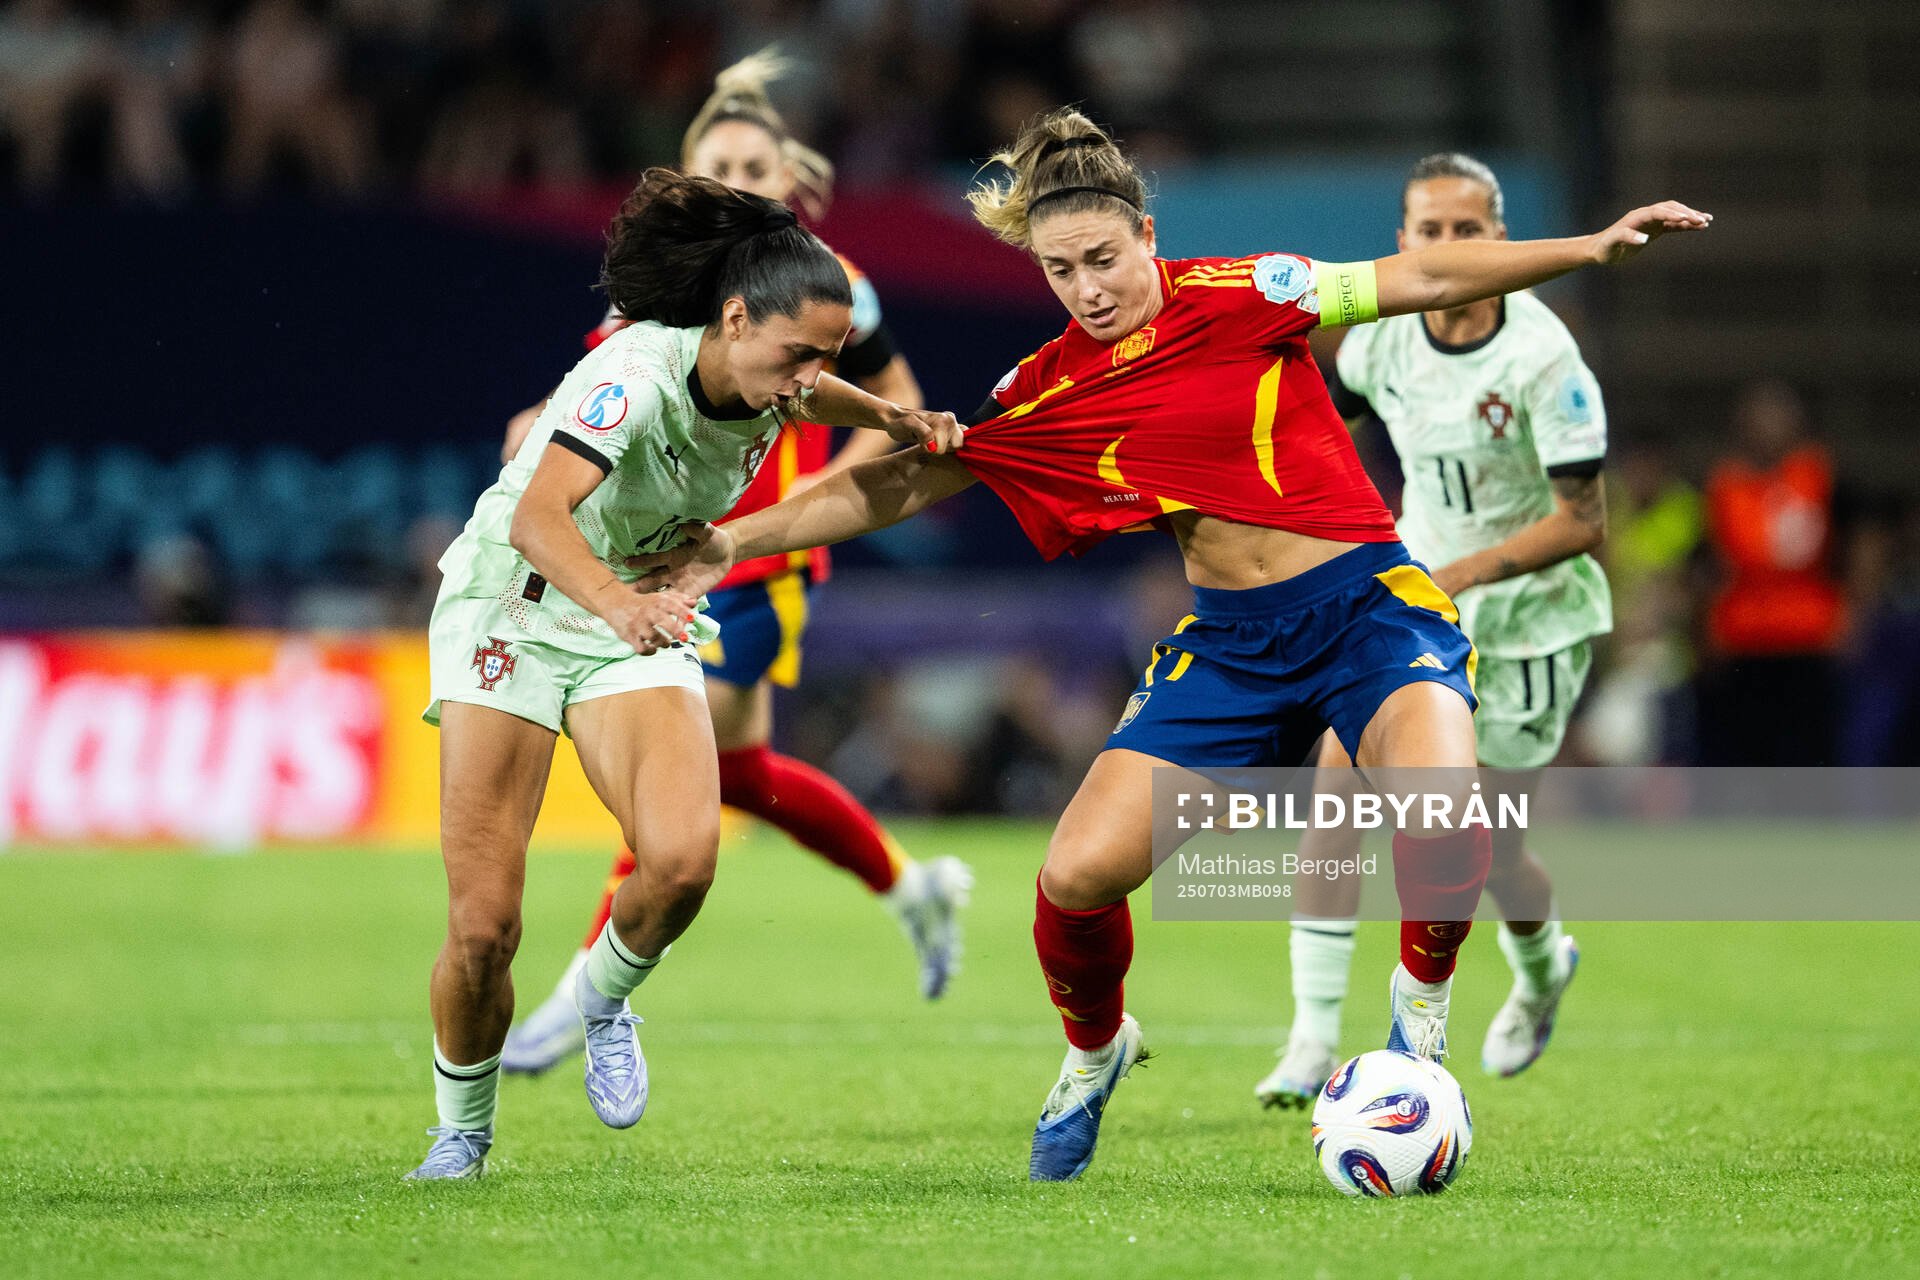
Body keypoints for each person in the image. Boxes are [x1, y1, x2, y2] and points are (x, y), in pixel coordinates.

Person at [638, 109, 1708, 1182]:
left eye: (1104, 258)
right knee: (1071, 881)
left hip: (1367, 610)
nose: (1088, 287)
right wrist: (729, 537)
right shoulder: (1053, 379)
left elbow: (1419, 277)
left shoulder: (1250, 291)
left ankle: (1415, 1026)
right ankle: (1099, 1051)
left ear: (1148, 234)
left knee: (1440, 803)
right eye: (1061, 271)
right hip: (1232, 648)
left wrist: (1591, 246)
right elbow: (902, 478)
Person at [405, 168, 962, 1181]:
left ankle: (603, 999)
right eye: (796, 353)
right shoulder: (634, 377)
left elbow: (815, 388)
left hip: (639, 601)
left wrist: (887, 420)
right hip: (518, 606)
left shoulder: (771, 374)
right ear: (735, 315)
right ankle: (463, 1132)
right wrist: (622, 607)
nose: (807, 380)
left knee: (684, 861)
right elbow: (537, 518)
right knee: (485, 925)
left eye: (825, 359)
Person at [499, 51, 972, 1079]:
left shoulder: (829, 291)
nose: (741, 178)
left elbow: (890, 402)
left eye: (757, 162)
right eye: (720, 162)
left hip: (751, 565)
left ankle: (586, 994)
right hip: (664, 549)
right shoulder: (671, 290)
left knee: (680, 772)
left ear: (789, 178)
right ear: (691, 171)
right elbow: (605, 390)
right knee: (735, 778)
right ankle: (908, 885)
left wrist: (805, 510)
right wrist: (542, 422)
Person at [1250, 154, 1612, 1110]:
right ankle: (1310, 1038)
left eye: (1468, 230)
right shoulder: (1380, 344)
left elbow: (1585, 522)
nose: (1448, 248)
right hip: (1409, 615)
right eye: (1429, 232)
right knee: (1337, 791)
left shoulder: (1544, 357)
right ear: (1402, 241)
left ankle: (1540, 972)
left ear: (1498, 236)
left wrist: (1454, 574)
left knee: (1482, 846)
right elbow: (1319, 447)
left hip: (1527, 626)